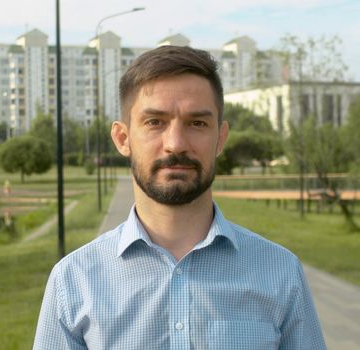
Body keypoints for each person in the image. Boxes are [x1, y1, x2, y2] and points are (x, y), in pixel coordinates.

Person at [33, 45, 326, 350]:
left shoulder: (280, 272)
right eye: (154, 122)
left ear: (220, 138)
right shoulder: (73, 280)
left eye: (197, 123)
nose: (176, 144)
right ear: (123, 138)